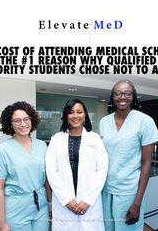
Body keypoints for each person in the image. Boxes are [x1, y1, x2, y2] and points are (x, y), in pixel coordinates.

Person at [99, 80, 158, 231]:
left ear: (133, 96)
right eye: (118, 93)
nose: (123, 97)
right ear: (112, 96)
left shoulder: (145, 121)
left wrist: (137, 203)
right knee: (108, 228)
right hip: (106, 189)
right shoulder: (104, 121)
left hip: (129, 191)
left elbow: (146, 164)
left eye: (127, 93)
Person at [46, 99, 108, 231]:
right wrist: (67, 200)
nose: (75, 116)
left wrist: (88, 201)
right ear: (66, 116)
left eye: (79, 112)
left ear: (85, 115)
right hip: (64, 201)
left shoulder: (95, 139)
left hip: (89, 201)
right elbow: (51, 171)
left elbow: (102, 170)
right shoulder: (56, 139)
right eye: (71, 112)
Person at [0, 101, 51, 231]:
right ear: (10, 124)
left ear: (32, 120)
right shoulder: (3, 150)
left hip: (41, 205)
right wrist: (1, 224)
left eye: (26, 119)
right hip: (16, 207)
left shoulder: (42, 146)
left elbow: (46, 179)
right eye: (17, 120)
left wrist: (50, 203)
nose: (23, 124)